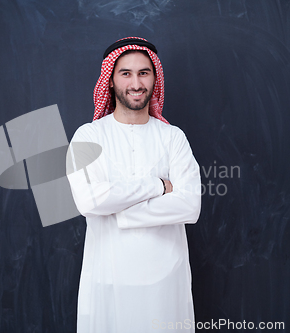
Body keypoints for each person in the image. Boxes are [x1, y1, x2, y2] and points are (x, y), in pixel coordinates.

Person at [66, 37, 202, 333]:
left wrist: (121, 212)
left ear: (155, 79)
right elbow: (89, 201)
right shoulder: (89, 136)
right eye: (125, 73)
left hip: (166, 283)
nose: (136, 83)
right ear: (111, 81)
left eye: (144, 73)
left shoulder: (172, 138)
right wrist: (156, 186)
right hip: (109, 279)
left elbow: (190, 205)